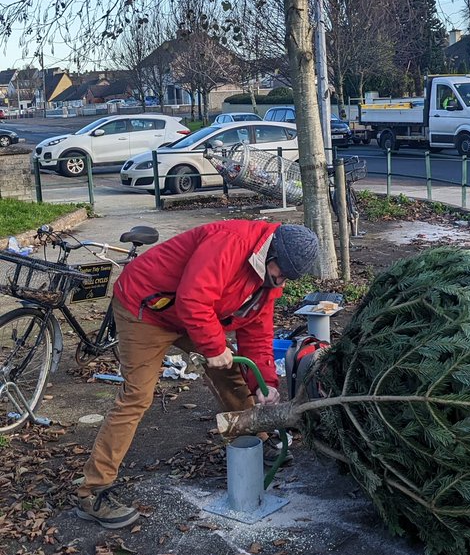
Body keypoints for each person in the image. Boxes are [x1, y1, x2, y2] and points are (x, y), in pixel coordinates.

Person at [76, 220, 320, 529]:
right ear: (270, 253)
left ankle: (255, 439)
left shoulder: (270, 276)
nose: (281, 281)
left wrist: (265, 383)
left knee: (229, 374)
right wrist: (214, 346)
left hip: (190, 315)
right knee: (137, 395)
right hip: (148, 308)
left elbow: (256, 330)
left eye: (286, 277)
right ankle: (92, 491)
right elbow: (194, 298)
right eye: (280, 273)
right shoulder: (230, 243)